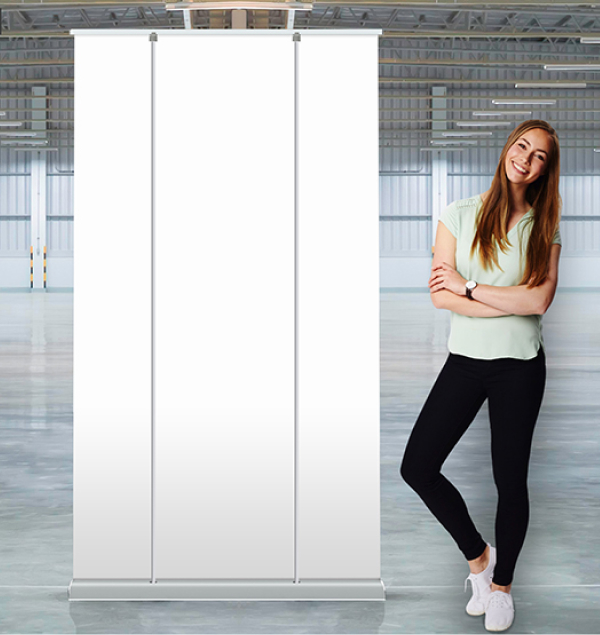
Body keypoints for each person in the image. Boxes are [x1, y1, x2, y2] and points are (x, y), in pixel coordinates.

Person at [400, 119, 562, 632]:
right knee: (418, 467)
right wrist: (502, 300)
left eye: (539, 156)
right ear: (507, 148)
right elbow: (438, 294)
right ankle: (479, 560)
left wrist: (469, 287)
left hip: (519, 366)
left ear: (545, 170)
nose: (527, 159)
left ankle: (503, 588)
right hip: (465, 361)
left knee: (510, 481)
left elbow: (538, 300)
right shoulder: (458, 214)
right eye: (522, 147)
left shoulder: (545, 224)